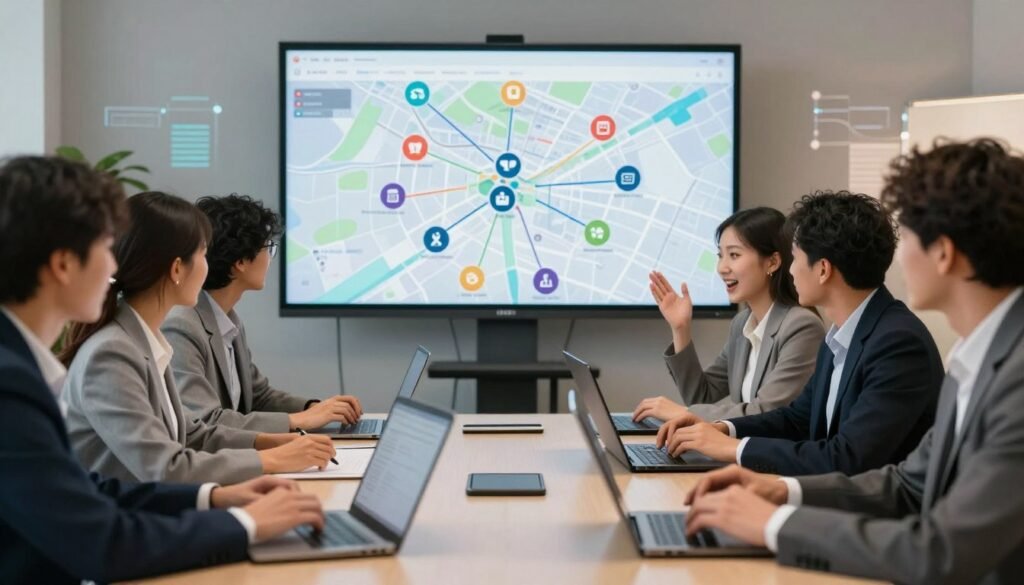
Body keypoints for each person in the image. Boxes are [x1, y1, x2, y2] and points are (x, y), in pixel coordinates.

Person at [682, 139, 1024, 585]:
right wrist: (782, 489)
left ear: (943, 252)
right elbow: (907, 484)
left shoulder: (1012, 378)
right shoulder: (977, 356)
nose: (898, 256)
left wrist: (773, 524)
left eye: (911, 238)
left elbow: (941, 552)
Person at [0, 155, 325, 583]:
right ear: (63, 264)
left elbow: (91, 490)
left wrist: (216, 497)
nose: (114, 267)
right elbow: (104, 541)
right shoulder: (16, 382)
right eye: (104, 249)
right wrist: (246, 523)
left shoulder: (27, 367)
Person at [656, 190, 944, 475]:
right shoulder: (842, 336)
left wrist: (734, 448)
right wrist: (723, 428)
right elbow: (797, 419)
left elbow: (849, 459)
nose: (791, 270)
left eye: (794, 258)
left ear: (822, 270)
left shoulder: (897, 343)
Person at [60, 191, 336, 484]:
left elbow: (194, 434)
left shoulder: (143, 340)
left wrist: (278, 444)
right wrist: (272, 459)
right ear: (177, 268)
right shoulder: (112, 352)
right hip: (126, 522)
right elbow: (166, 468)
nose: (208, 267)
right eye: (203, 254)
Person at [163, 193, 362, 432]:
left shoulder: (228, 320)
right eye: (268, 248)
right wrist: (297, 421)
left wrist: (313, 408)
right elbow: (204, 420)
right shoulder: (182, 325)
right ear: (241, 261)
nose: (270, 258)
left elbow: (258, 397)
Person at [633, 207, 824, 423]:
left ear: (772, 262)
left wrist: (684, 414)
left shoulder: (801, 326)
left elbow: (767, 412)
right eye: (720, 255)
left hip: (772, 454)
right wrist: (680, 328)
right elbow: (701, 395)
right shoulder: (742, 324)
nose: (722, 267)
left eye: (734, 255)